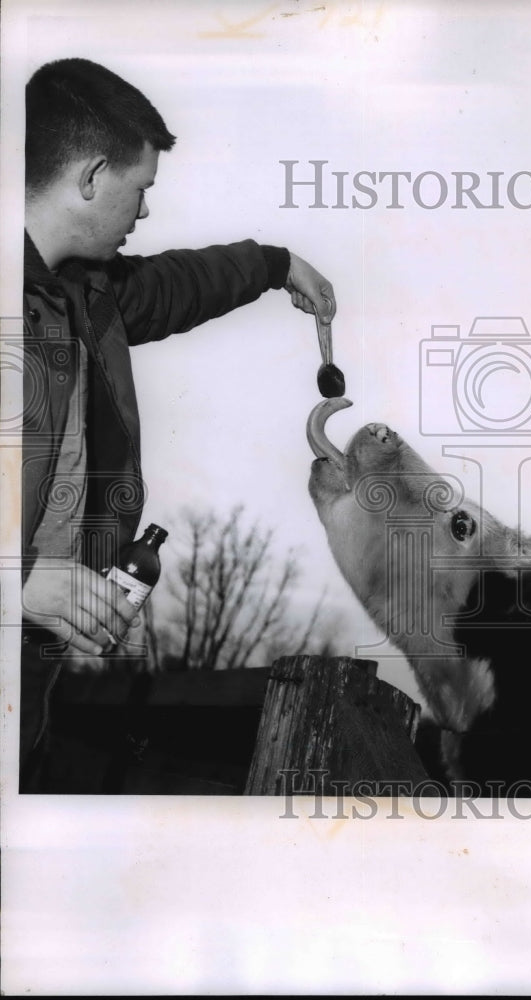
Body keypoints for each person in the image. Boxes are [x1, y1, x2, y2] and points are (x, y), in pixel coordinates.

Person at [20, 57, 336, 789]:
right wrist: (22, 580)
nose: (146, 213)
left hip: (31, 658)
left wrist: (275, 262)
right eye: (142, 190)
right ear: (93, 177)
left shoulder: (82, 293)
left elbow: (172, 287)